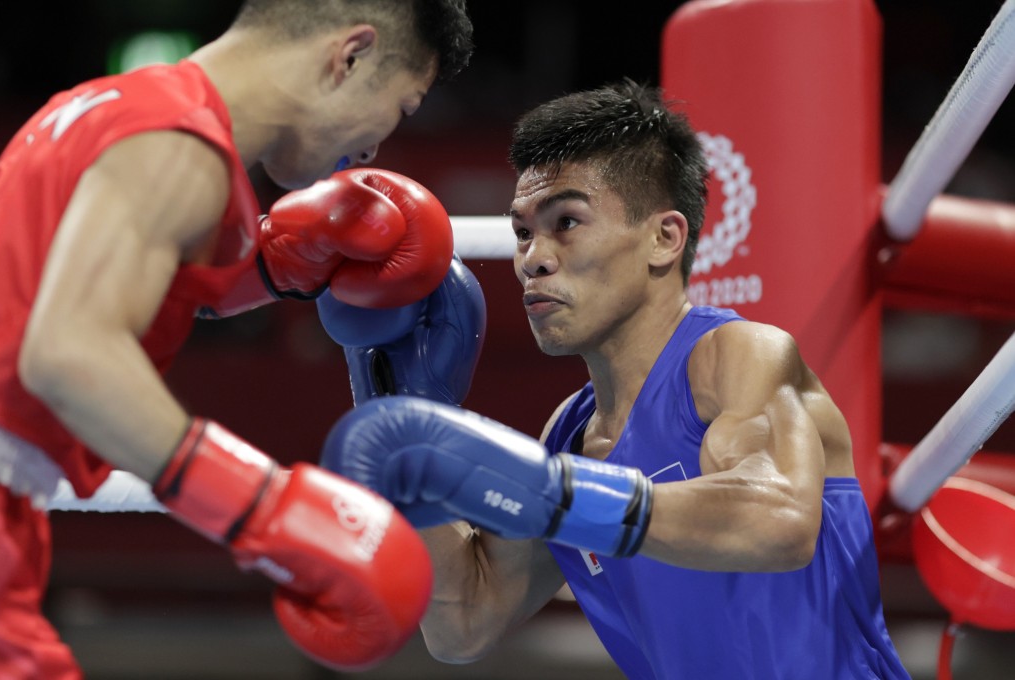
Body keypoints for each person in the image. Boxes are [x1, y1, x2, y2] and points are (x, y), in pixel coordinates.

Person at [320, 80, 913, 679]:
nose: (532, 258)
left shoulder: (736, 357)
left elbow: (780, 520)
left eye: (567, 222)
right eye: (524, 231)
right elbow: (463, 623)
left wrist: (557, 495)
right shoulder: (570, 439)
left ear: (664, 238)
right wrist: (396, 405)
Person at [0, 0, 474, 677]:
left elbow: (98, 294)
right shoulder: (174, 142)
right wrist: (262, 504)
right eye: (403, 105)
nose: (373, 148)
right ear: (351, 56)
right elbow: (69, 353)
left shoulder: (105, 109)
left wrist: (280, 264)